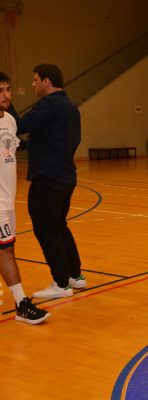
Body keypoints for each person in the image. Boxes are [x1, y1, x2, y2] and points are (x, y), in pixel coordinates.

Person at [8, 64, 85, 299]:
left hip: (48, 179)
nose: (33, 84)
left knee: (46, 230)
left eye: (35, 80)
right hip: (65, 176)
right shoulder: (70, 106)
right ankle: (75, 276)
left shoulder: (48, 104)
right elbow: (51, 137)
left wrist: (6, 102)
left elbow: (19, 125)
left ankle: (61, 283)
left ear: (46, 81)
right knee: (59, 226)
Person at [0, 72, 50, 324]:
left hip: (8, 200)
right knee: (5, 250)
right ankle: (21, 304)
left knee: (7, 248)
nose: (6, 95)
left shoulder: (10, 120)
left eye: (8, 89)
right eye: (0, 91)